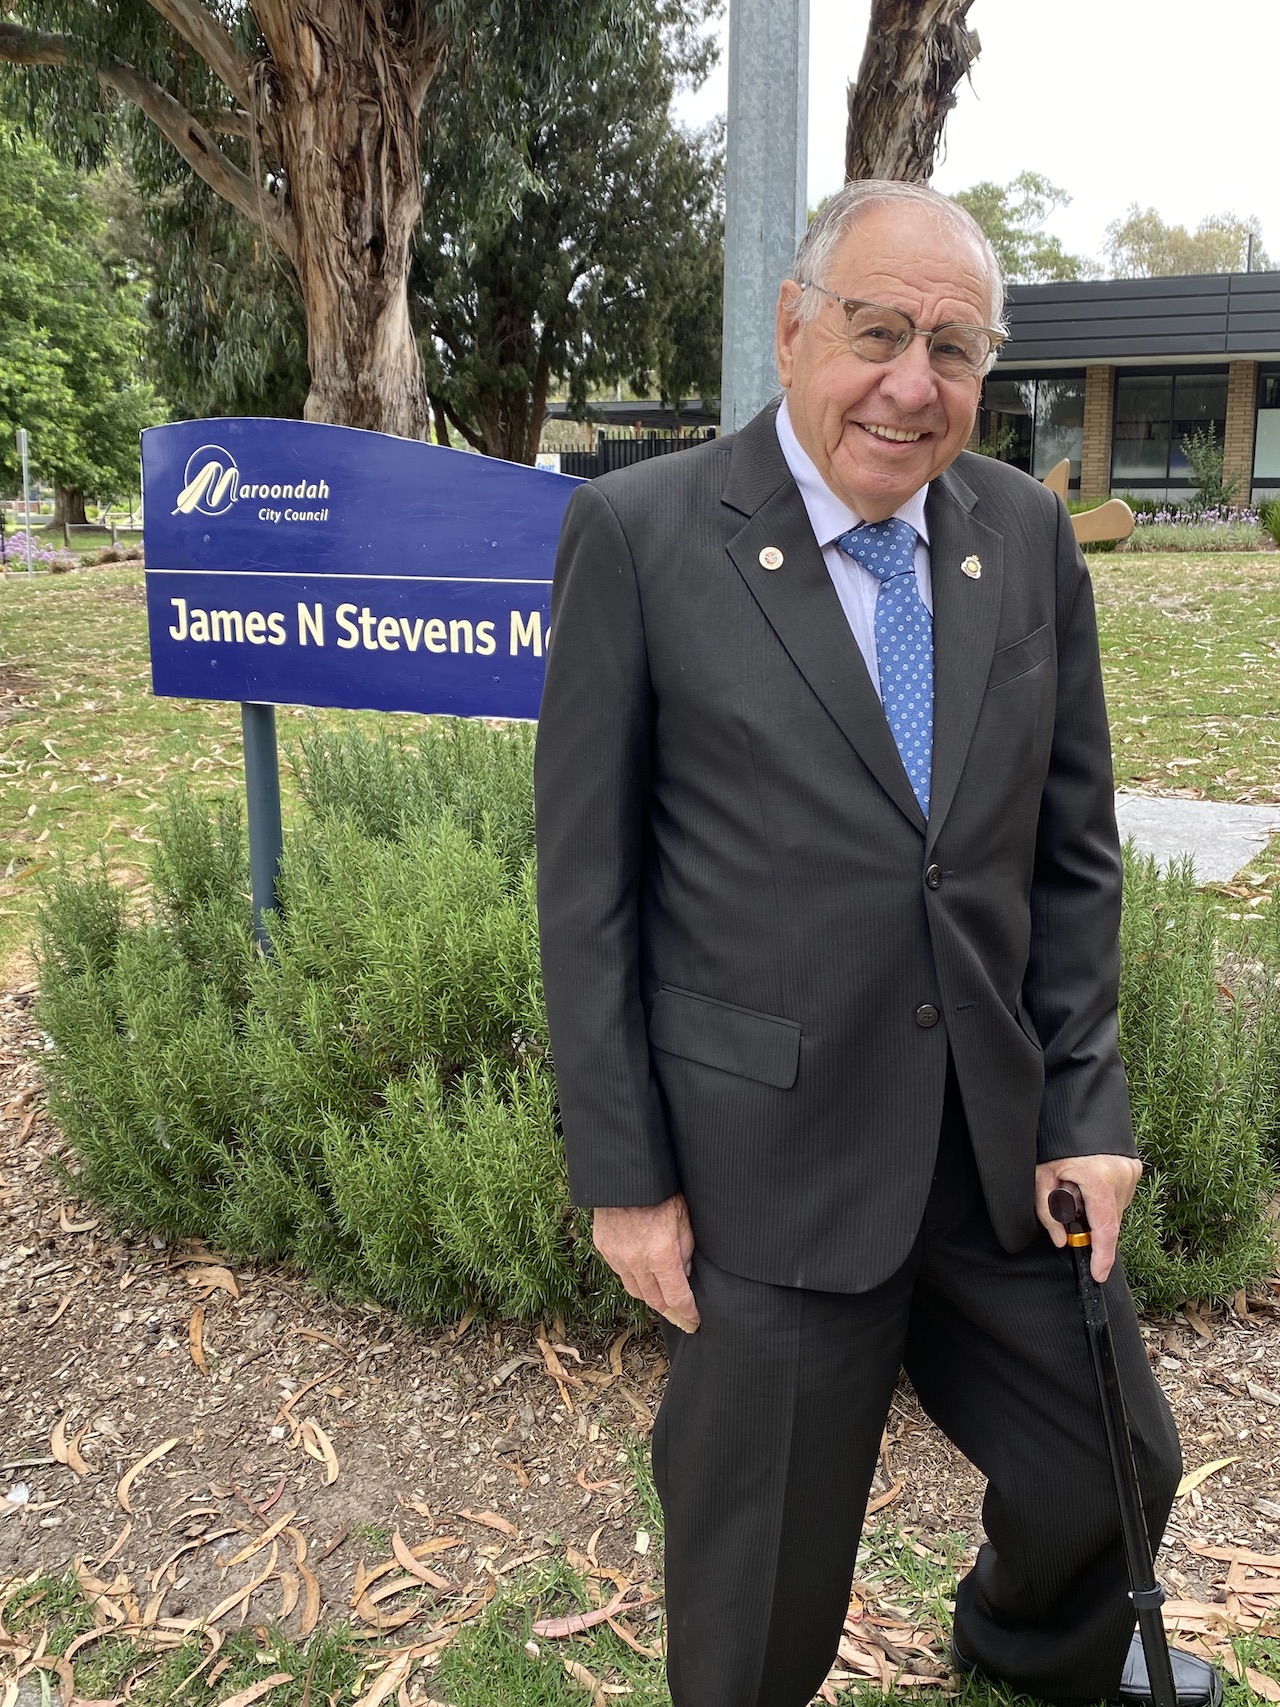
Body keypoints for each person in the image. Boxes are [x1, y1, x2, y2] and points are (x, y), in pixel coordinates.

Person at [534, 181, 1214, 1707]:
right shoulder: (642, 538)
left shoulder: (1024, 538)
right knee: (761, 1583)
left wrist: (1087, 1111)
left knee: (1114, 1471)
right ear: (794, 328)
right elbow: (585, 894)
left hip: (994, 1153)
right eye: (880, 330)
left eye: (955, 347)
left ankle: (1025, 1651)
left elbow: (1071, 853)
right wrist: (625, 1177)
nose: (915, 383)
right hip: (771, 1167)